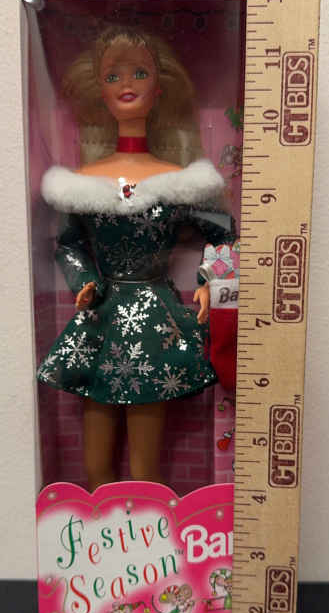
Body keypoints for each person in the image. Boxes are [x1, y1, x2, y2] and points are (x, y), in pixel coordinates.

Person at [38, 26, 235, 490]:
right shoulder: (83, 182)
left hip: (155, 322)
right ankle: (98, 531)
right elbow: (69, 243)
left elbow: (223, 235)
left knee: (146, 468)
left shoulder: (178, 181)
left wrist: (208, 282)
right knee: (96, 466)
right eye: (113, 76)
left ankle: (152, 531)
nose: (126, 84)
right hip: (100, 318)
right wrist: (83, 282)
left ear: (160, 87)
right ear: (99, 91)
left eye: (140, 73)